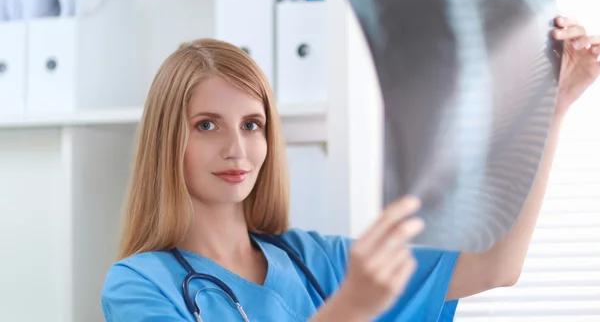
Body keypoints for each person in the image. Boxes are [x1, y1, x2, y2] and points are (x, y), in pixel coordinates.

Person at [101, 16, 600, 321]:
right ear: (168, 140)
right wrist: (352, 309)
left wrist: (552, 109)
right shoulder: (138, 285)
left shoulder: (315, 261)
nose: (237, 148)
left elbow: (494, 266)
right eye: (207, 125)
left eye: (253, 125)